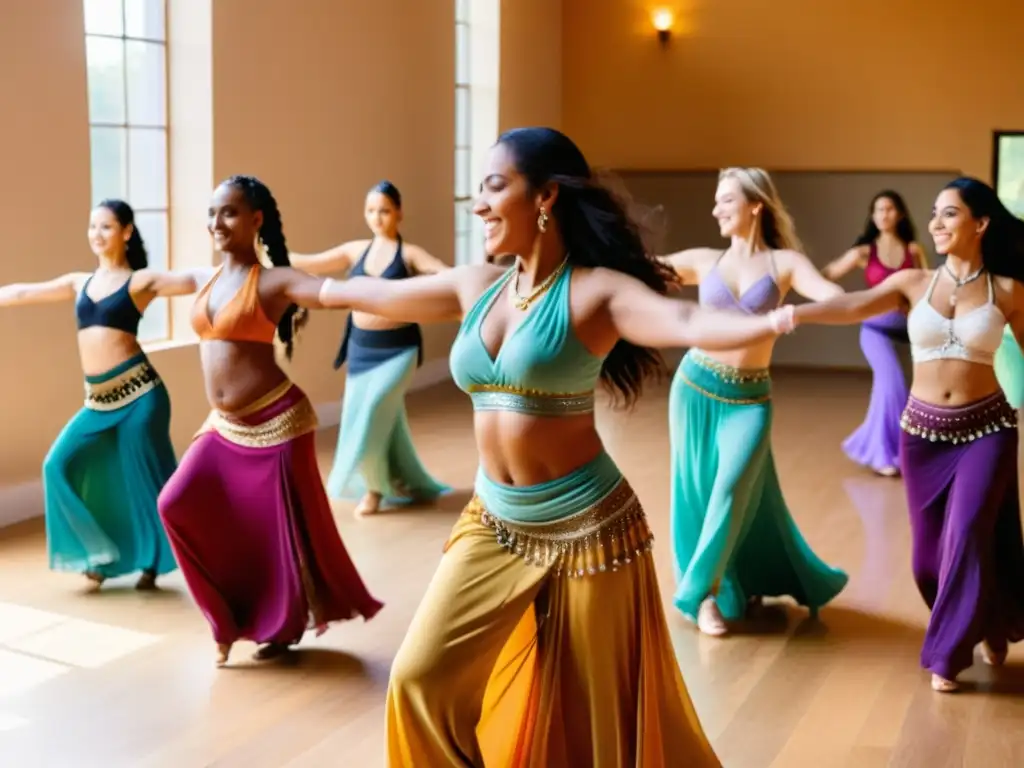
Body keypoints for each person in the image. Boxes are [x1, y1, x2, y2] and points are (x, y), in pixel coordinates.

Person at [312, 128, 794, 767]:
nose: (478, 206)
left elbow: (679, 321)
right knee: (417, 680)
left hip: (591, 528)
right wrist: (288, 285)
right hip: (494, 522)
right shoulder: (478, 283)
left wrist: (764, 322)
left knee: (591, 724)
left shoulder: (595, 291)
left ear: (544, 197)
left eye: (492, 187)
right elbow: (375, 293)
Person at [782, 176, 1024, 692]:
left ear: (980, 223)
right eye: (934, 213)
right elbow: (854, 306)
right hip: (923, 435)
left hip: (989, 429)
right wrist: (795, 313)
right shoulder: (914, 284)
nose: (936, 222)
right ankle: (989, 618)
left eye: (950, 213)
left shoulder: (1008, 291)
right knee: (926, 562)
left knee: (968, 534)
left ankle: (947, 656)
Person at [156, 175, 383, 667]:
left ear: (256, 220)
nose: (217, 223)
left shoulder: (275, 281)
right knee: (174, 503)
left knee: (278, 535)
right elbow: (149, 283)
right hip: (223, 424)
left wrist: (411, 293)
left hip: (277, 420)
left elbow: (334, 294)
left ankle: (278, 628)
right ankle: (224, 621)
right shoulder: (206, 278)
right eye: (213, 212)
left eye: (230, 212)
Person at [657, 168, 850, 637]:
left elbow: (836, 297)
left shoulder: (784, 263)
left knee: (730, 490)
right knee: (697, 492)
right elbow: (645, 265)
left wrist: (796, 312)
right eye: (716, 201)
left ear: (755, 205)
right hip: (696, 387)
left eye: (725, 201)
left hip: (749, 398)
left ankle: (699, 591)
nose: (716, 209)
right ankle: (711, 594)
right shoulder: (705, 260)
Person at [0, 200, 197, 590]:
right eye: (92, 227)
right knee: (56, 465)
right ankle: (99, 555)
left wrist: (244, 267)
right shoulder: (79, 282)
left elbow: (190, 280)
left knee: (147, 482)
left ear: (126, 232)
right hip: (99, 402)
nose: (97, 234)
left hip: (141, 397)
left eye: (106, 227)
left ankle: (156, 562)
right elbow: (23, 292)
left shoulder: (139, 282)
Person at [290, 181, 451, 516]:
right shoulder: (355, 250)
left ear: (399, 213)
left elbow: (445, 274)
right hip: (361, 350)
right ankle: (406, 481)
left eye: (385, 210)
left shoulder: (408, 253)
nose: (377, 218)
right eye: (371, 211)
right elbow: (312, 262)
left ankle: (375, 489)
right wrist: (265, 250)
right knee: (383, 420)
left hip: (398, 350)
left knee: (373, 414)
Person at [822, 190, 928, 476]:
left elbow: (926, 286)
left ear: (900, 214)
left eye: (890, 209)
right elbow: (829, 273)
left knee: (897, 391)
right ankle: (890, 456)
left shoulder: (914, 250)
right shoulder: (864, 252)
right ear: (872, 216)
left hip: (907, 333)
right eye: (878, 210)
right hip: (875, 331)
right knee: (892, 384)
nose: (883, 215)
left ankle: (879, 448)